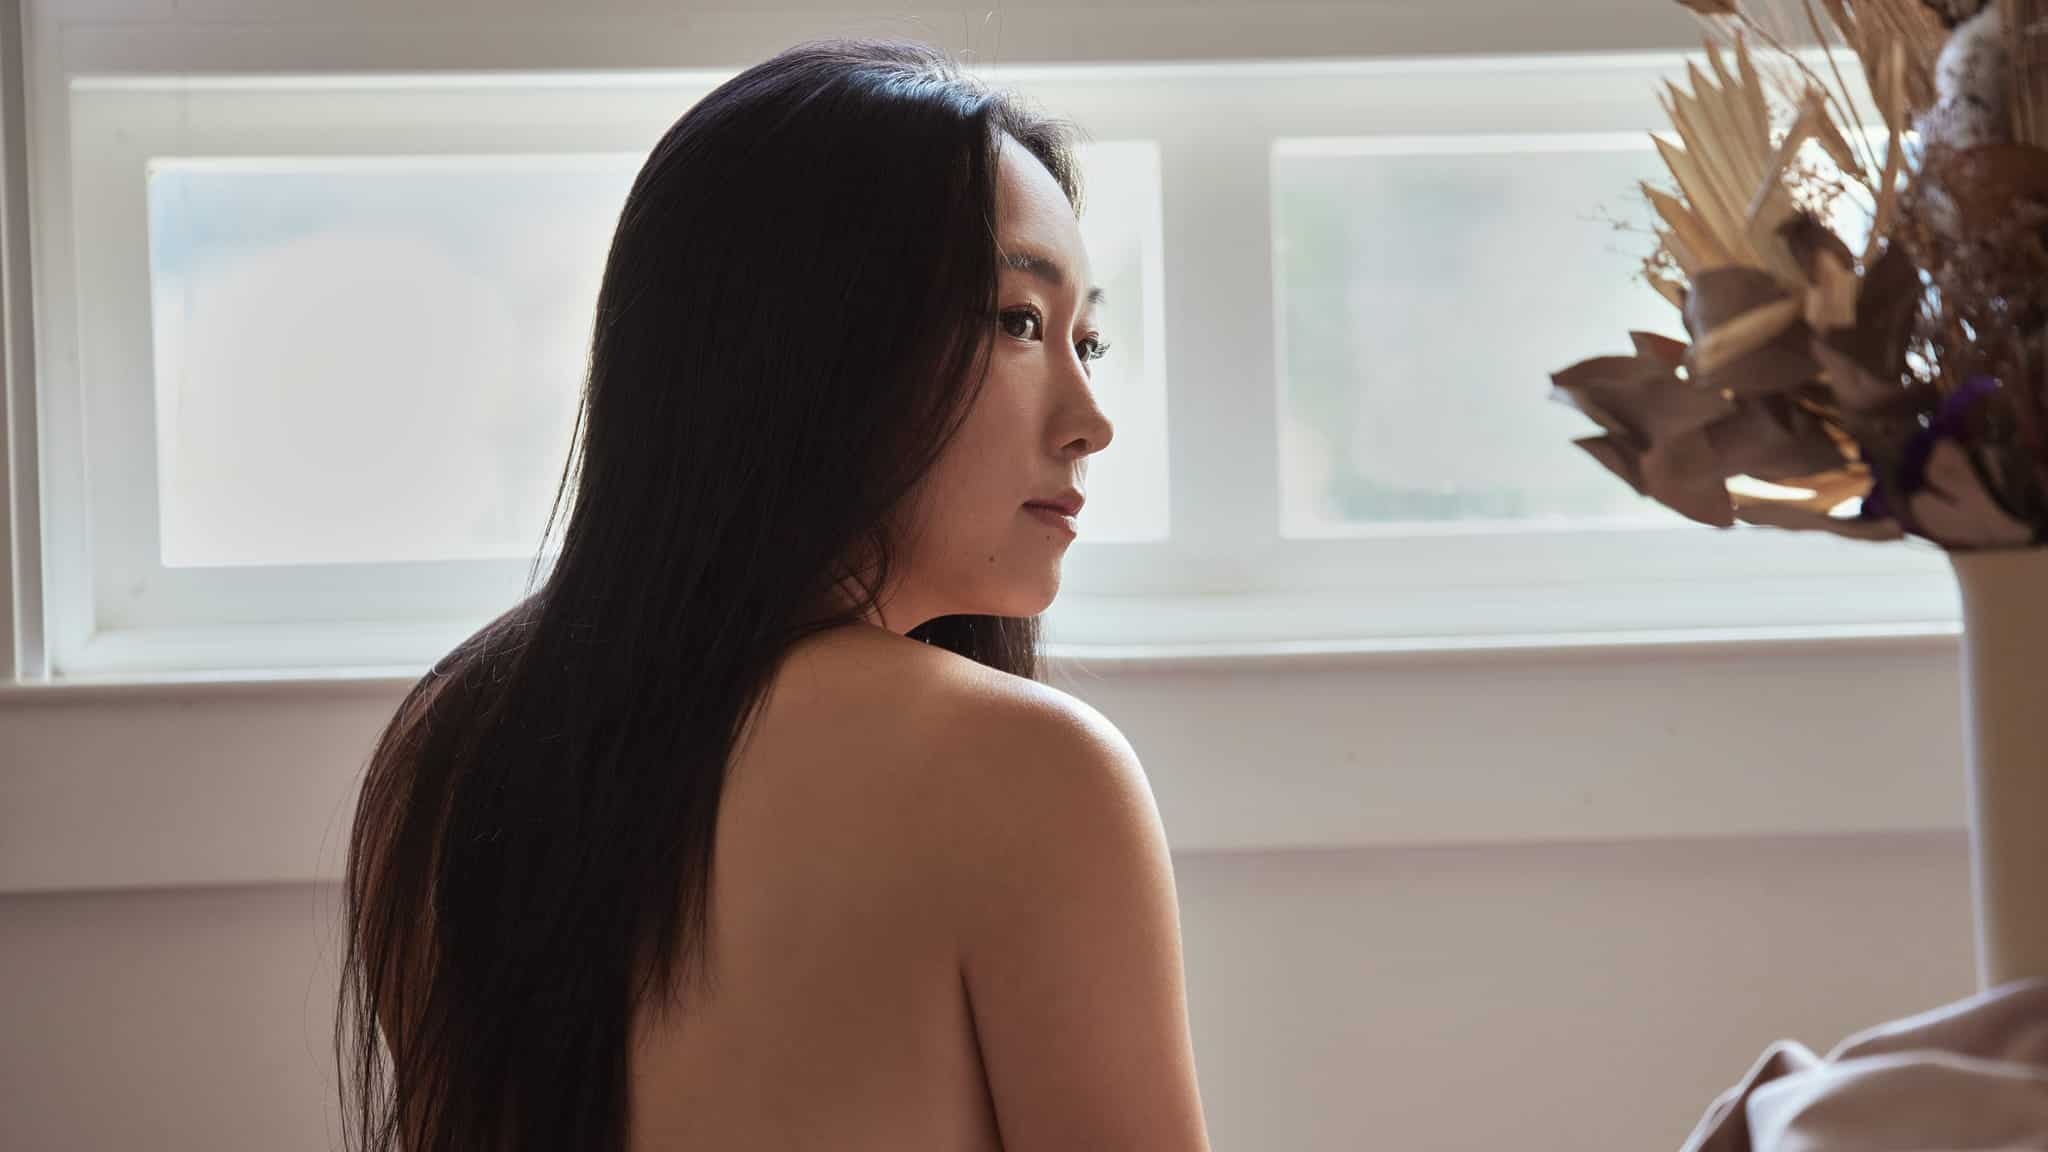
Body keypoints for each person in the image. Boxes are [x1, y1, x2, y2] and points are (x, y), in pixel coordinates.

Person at [337, 38, 1210, 1152]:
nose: (1091, 419)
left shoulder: (454, 746)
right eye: (1016, 323)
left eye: (1087, 338)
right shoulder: (1026, 772)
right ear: (806, 337)